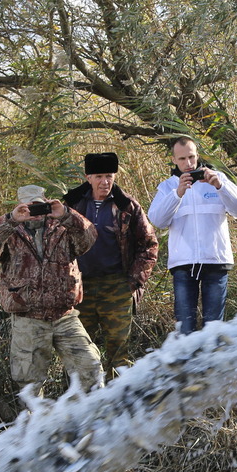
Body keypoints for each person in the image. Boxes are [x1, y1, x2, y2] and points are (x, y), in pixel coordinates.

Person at [0, 184, 104, 392]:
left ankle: (90, 419)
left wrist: (66, 214)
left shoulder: (63, 228)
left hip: (65, 316)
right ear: (20, 205)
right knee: (29, 385)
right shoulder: (10, 232)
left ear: (46, 202)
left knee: (90, 369)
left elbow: (89, 237)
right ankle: (37, 423)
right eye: (29, 206)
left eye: (38, 205)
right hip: (28, 319)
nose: (34, 211)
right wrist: (11, 220)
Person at [63, 152, 159, 373]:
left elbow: (149, 245)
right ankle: (83, 400)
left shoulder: (127, 206)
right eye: (99, 176)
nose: (105, 182)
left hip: (116, 286)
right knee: (80, 350)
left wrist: (133, 281)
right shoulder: (72, 203)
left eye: (109, 176)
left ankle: (119, 400)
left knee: (118, 351)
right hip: (80, 288)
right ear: (88, 177)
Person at [148, 137, 237, 334]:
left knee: (213, 330)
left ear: (197, 156)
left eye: (192, 157)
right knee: (185, 329)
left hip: (216, 261)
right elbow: (158, 220)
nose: (188, 164)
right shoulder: (167, 186)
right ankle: (187, 363)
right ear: (174, 160)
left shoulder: (217, 178)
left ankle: (212, 364)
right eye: (182, 159)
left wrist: (220, 186)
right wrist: (177, 193)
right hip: (183, 264)